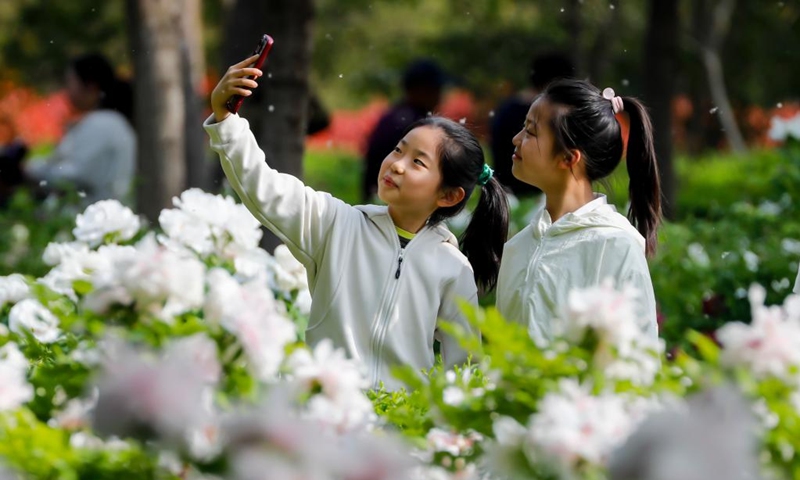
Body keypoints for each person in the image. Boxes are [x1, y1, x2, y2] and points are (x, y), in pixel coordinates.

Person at [205, 55, 509, 390]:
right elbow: (263, 186)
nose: (396, 164)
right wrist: (226, 119)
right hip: (324, 416)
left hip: (399, 430)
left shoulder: (453, 268)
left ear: (449, 196)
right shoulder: (336, 224)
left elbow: (464, 368)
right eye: (398, 150)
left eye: (418, 162)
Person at [496, 78, 661, 343]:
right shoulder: (519, 246)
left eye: (531, 131)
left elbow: (638, 357)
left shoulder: (615, 244)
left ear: (569, 158)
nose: (516, 139)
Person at [23, 53, 136, 206]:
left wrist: (30, 170)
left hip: (92, 217)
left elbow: (76, 174)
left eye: (70, 81)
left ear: (90, 86)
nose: (67, 90)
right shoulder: (113, 122)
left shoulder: (101, 123)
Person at [490, 52, 575, 197]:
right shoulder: (550, 113)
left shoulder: (506, 109)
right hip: (527, 192)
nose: (516, 139)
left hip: (506, 190)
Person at [362, 59, 447, 203]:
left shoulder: (394, 115)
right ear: (420, 90)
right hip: (392, 198)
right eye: (436, 90)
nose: (440, 97)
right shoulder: (415, 125)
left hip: (379, 195)